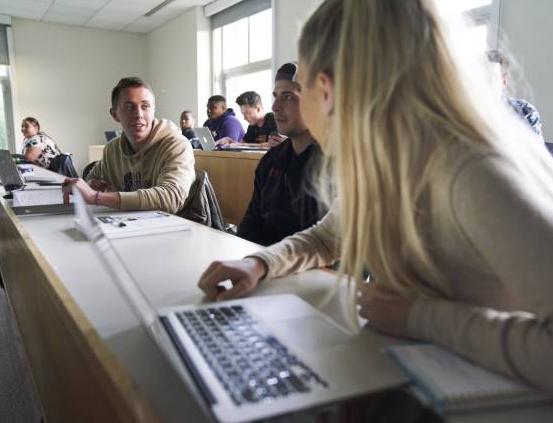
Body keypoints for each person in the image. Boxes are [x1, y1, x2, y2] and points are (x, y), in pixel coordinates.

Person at [199, 0, 553, 393]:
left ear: (328, 90)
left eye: (301, 88)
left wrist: (419, 317)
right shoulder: (392, 156)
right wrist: (260, 264)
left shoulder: (473, 170)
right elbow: (328, 236)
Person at [64, 77, 195, 214]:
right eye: (129, 107)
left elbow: (171, 198)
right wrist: (91, 184)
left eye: (145, 106)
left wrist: (96, 197)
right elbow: (92, 178)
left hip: (174, 228)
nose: (138, 114)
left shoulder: (177, 145)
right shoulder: (112, 149)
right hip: (129, 227)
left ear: (153, 110)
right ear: (115, 115)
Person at [237, 63, 327, 246]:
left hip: (308, 269)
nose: (275, 106)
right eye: (276, 96)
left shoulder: (335, 164)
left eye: (288, 97)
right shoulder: (271, 161)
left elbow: (327, 247)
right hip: (264, 263)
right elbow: (250, 225)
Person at [487, 49, 544, 140]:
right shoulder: (464, 115)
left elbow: (535, 152)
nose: (486, 83)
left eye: (492, 78)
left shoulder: (525, 111)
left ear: (503, 82)